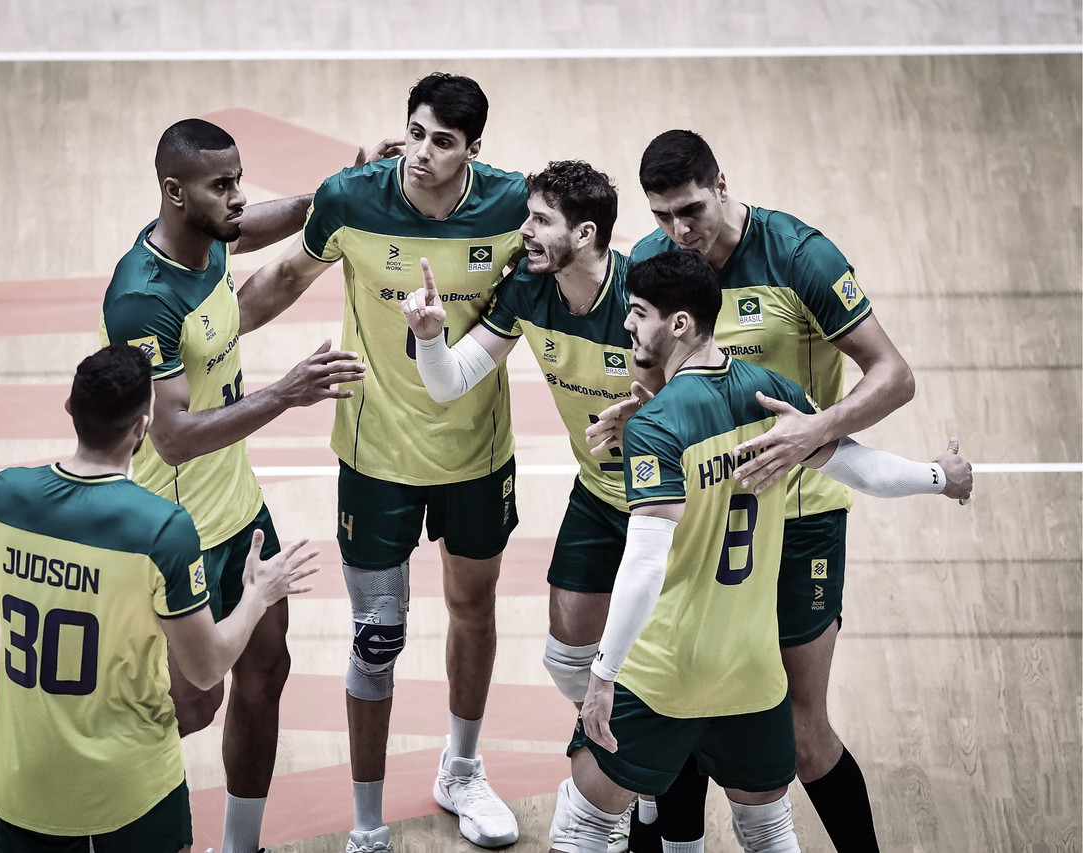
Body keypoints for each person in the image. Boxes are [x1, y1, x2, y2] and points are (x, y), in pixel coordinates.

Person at [547, 251, 972, 853]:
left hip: (666, 669)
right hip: (753, 672)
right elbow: (863, 470)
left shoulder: (656, 425)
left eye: (638, 314)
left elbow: (643, 562)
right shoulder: (771, 394)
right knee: (769, 835)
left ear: (680, 325)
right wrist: (940, 476)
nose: (627, 327)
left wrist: (603, 673)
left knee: (584, 823)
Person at [241, 73, 529, 853]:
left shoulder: (513, 208)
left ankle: (461, 770)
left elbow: (569, 273)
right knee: (376, 636)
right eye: (415, 132)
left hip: (476, 451)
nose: (421, 153)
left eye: (443, 141)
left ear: (474, 149)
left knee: (475, 609)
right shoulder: (352, 199)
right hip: (376, 453)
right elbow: (282, 277)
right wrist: (206, 334)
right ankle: (367, 823)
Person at [614, 129, 918, 852]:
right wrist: (644, 403)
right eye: (661, 216)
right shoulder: (658, 262)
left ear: (722, 181)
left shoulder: (799, 256)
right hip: (708, 513)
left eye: (689, 210)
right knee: (679, 706)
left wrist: (814, 429)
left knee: (802, 733)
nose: (677, 232)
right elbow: (656, 370)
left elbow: (893, 376)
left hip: (803, 514)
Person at [101, 118, 370, 853]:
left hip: (240, 509)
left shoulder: (207, 235)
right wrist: (285, 394)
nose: (238, 197)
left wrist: (340, 190)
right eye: (222, 185)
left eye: (238, 179)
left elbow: (262, 221)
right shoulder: (141, 297)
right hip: (174, 527)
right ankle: (100, 816)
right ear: (173, 192)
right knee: (191, 706)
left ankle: (239, 845)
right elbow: (173, 436)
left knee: (266, 669)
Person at [0, 344, 320, 853]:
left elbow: (2, 606)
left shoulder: (3, 497)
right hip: (132, 784)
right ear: (142, 428)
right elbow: (205, 671)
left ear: (71, 409)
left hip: (26, 777)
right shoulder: (161, 529)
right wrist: (256, 595)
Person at [401, 159, 663, 710]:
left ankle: (645, 781)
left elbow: (714, 395)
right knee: (567, 662)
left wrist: (657, 413)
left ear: (585, 234)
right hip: (598, 494)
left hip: (669, 503)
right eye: (528, 217)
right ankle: (631, 766)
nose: (525, 231)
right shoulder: (529, 287)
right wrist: (430, 339)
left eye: (542, 221)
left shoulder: (645, 296)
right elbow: (451, 383)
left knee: (663, 663)